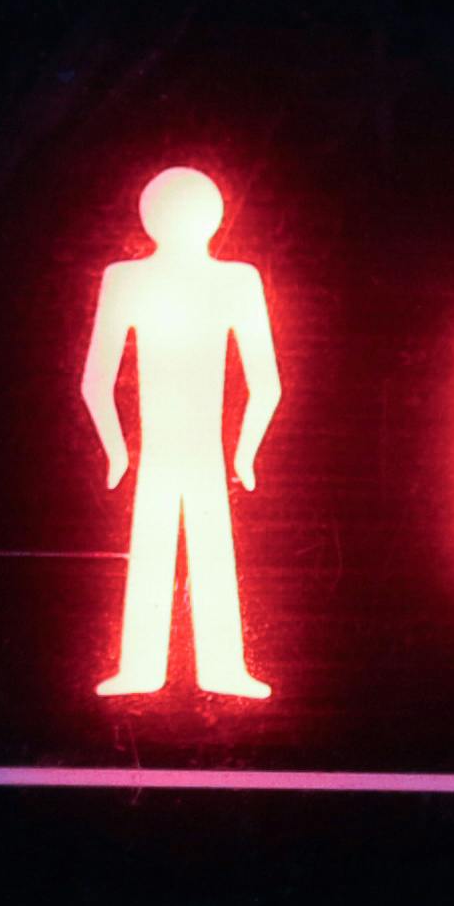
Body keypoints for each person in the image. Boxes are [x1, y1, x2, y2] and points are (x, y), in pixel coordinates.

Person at [79, 164, 281, 698]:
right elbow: (267, 386)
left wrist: (118, 451)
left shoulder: (138, 280)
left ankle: (163, 669)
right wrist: (244, 453)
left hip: (169, 450)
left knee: (162, 544)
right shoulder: (228, 282)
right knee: (205, 545)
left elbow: (96, 383)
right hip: (192, 449)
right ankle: (200, 669)